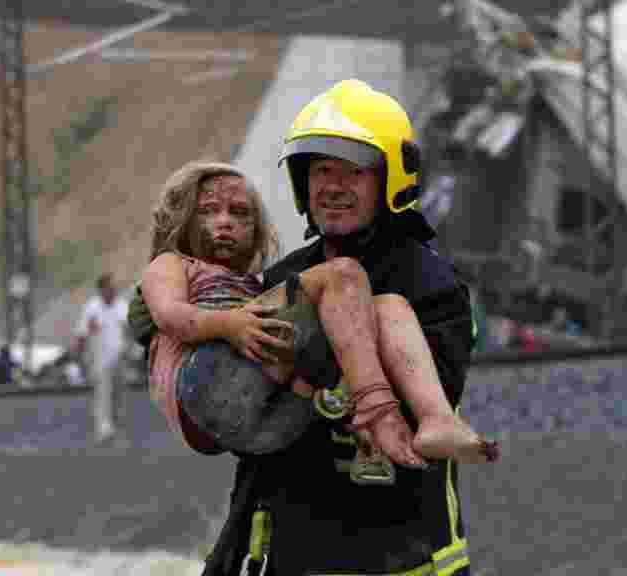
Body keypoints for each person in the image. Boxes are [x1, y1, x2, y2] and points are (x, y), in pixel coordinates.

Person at [202, 79, 481, 575]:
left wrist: (299, 362)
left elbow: (421, 400)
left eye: (352, 171)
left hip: (402, 557)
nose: (332, 186)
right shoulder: (283, 278)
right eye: (321, 170)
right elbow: (243, 414)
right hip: (289, 557)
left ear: (391, 179)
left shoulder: (431, 284)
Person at [134, 161, 492, 472]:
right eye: (209, 211)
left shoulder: (259, 285)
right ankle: (378, 412)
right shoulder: (173, 264)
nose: (225, 222)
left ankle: (436, 420)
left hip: (270, 426)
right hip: (204, 384)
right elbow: (170, 315)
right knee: (341, 275)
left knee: (384, 307)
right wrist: (228, 324)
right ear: (181, 219)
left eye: (239, 213)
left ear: (257, 232)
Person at [76, 273, 130, 445]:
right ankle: (103, 429)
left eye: (114, 287)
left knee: (118, 395)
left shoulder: (122, 306)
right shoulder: (92, 308)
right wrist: (79, 356)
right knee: (102, 393)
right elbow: (82, 333)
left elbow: (130, 329)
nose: (113, 290)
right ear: (101, 289)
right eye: (109, 287)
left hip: (119, 357)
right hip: (99, 357)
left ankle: (115, 427)